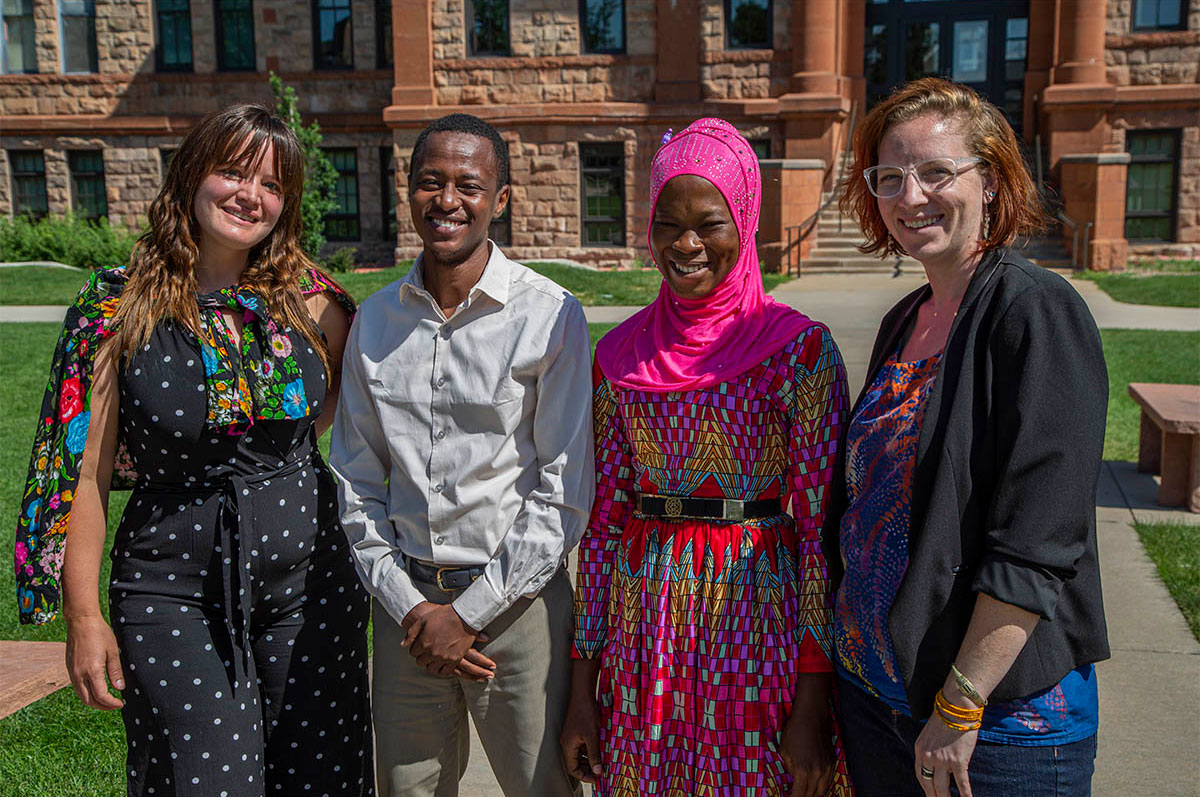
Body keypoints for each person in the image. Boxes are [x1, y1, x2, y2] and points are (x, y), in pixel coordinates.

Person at [14, 103, 373, 796]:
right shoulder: (117, 309)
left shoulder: (315, 304)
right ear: (190, 175)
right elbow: (83, 473)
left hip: (313, 583)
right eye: (232, 172)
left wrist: (274, 458)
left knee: (322, 778)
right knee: (207, 779)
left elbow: (334, 408)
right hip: (171, 588)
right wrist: (83, 618)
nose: (250, 196)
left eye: (271, 185)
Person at [826, 77, 1110, 796]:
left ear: (990, 183)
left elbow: (1040, 539)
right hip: (877, 697)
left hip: (994, 721)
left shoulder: (1036, 311)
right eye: (889, 176)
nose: (910, 195)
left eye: (936, 172)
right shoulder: (906, 318)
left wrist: (960, 701)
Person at [561, 118, 854, 796]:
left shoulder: (797, 353)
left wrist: (813, 699)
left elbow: (819, 534)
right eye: (668, 223)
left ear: (745, 221)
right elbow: (603, 528)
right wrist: (585, 686)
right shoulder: (619, 356)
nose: (686, 244)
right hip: (646, 637)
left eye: (709, 222)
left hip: (758, 628)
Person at [329, 112, 592, 797]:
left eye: (468, 185)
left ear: (500, 199)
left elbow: (563, 493)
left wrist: (468, 613)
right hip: (405, 609)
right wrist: (408, 604)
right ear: (408, 192)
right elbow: (356, 480)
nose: (448, 200)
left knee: (543, 785)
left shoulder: (550, 314)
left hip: (517, 605)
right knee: (406, 786)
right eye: (430, 182)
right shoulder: (376, 321)